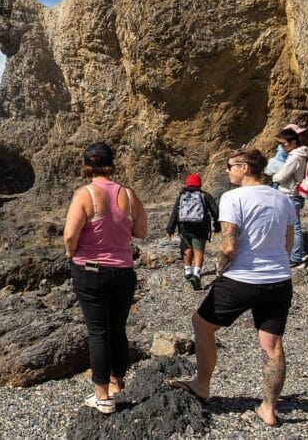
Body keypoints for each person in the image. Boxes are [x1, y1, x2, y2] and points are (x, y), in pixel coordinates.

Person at [170, 147, 294, 427]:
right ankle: (269, 408)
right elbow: (288, 245)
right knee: (272, 345)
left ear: (246, 168)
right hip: (279, 279)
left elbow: (229, 244)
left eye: (230, 166)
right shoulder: (282, 199)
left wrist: (220, 267)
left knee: (202, 325)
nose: (227, 171)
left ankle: (202, 384)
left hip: (242, 278)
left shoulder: (232, 197)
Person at [64, 142, 147, 414]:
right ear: (112, 163)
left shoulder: (84, 194)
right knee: (117, 329)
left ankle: (102, 396)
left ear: (86, 165)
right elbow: (142, 232)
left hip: (90, 271)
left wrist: (70, 253)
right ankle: (117, 386)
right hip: (124, 271)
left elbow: (69, 235)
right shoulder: (129, 194)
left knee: (98, 332)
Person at [166, 173, 220, 290]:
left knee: (187, 248)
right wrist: (217, 225)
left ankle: (187, 271)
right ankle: (196, 275)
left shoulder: (181, 196)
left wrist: (170, 228)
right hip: (201, 228)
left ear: (187, 183)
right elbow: (215, 212)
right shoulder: (205, 195)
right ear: (199, 183)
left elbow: (175, 213)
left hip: (184, 228)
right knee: (199, 251)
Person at [272, 125, 308, 267]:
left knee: (294, 226)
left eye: (284, 144)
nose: (282, 147)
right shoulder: (303, 153)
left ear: (294, 142)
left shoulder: (295, 157)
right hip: (295, 193)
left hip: (290, 193)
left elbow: (281, 176)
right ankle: (296, 254)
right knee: (291, 225)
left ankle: (297, 256)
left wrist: (274, 177)